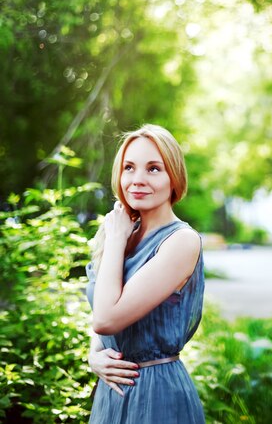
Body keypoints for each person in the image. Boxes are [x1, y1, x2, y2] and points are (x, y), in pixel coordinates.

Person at [85, 124, 205, 423]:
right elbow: (98, 311)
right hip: (111, 392)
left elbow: (106, 319)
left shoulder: (180, 241)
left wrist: (115, 240)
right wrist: (94, 355)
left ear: (173, 178)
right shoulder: (120, 233)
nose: (137, 180)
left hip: (156, 396)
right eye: (129, 167)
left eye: (153, 169)